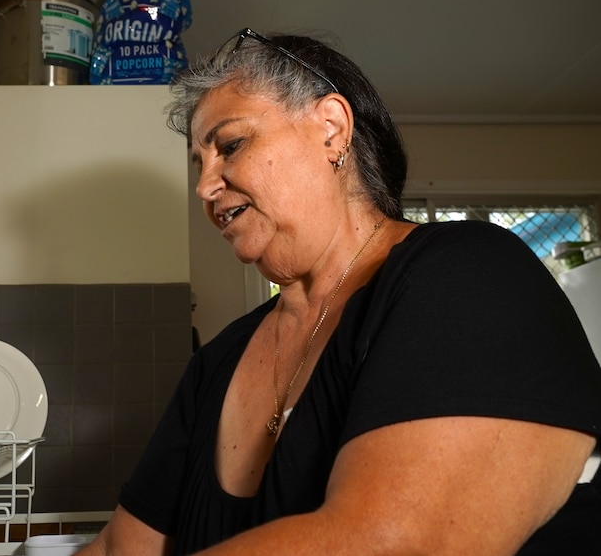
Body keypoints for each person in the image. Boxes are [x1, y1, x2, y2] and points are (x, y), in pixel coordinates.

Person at [76, 28, 601, 555]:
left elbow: (393, 542)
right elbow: (119, 549)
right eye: (199, 164)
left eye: (230, 145)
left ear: (331, 130)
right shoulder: (215, 364)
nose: (204, 186)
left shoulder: (470, 273)